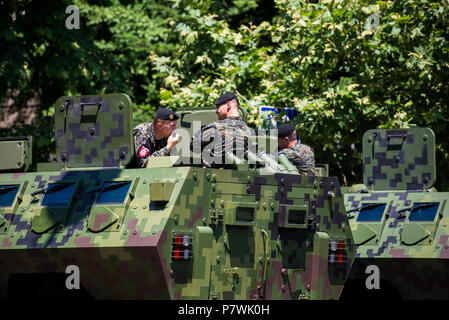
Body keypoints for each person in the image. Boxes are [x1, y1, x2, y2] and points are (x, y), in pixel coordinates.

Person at [191, 92, 253, 167]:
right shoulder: (248, 130)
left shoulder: (216, 127)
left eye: (218, 107)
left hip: (215, 175)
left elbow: (193, 144)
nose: (216, 111)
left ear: (228, 105)